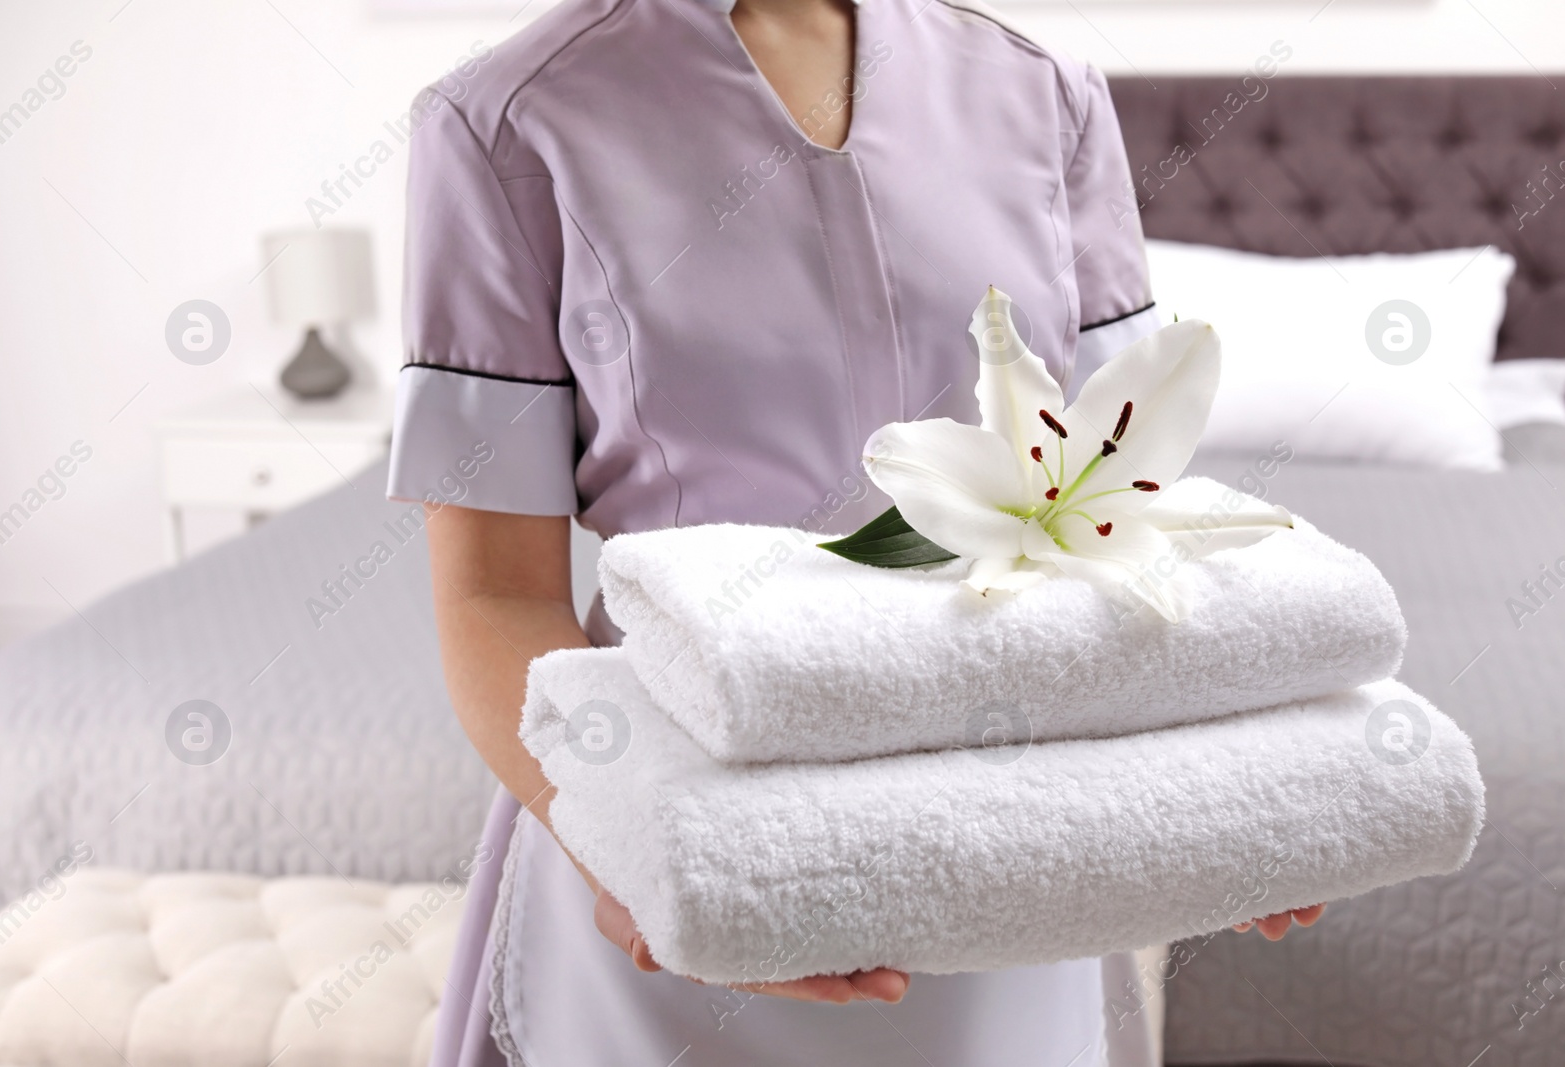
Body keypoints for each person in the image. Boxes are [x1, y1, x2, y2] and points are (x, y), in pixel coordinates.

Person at [388, 0, 1323, 1061]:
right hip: (685, 805)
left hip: (1012, 815)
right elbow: (495, 595)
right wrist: (630, 852)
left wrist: (1218, 788)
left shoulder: (1042, 91)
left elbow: (1111, 497)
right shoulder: (505, 122)